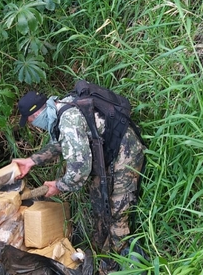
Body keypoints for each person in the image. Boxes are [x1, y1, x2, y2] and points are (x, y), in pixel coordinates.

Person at [12, 90, 145, 272]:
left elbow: (79, 172)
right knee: (99, 204)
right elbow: (62, 143)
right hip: (106, 154)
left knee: (117, 213)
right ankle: (99, 253)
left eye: (30, 121)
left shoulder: (68, 120)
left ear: (36, 114)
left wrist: (58, 186)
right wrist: (32, 161)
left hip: (125, 154)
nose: (33, 124)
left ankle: (122, 264)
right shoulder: (59, 108)